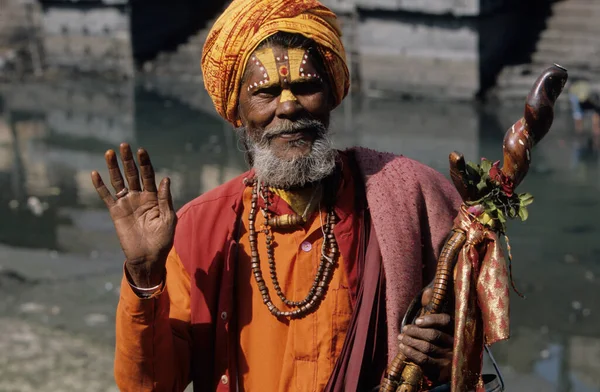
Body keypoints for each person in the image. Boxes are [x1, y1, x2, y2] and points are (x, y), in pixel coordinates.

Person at [91, 1, 462, 391]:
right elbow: (151, 386)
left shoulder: (405, 200)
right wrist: (145, 277)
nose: (288, 106)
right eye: (265, 92)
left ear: (332, 94)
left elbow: (464, 337)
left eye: (305, 87)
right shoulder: (199, 230)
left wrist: (446, 352)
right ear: (237, 111)